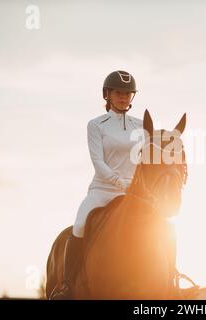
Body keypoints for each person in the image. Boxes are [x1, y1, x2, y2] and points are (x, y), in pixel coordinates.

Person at [54, 70, 144, 299]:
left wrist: (136, 185)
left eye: (127, 93)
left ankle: (171, 278)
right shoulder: (96, 124)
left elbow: (145, 161)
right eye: (118, 92)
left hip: (133, 194)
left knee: (162, 227)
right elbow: (98, 161)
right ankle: (66, 284)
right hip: (103, 191)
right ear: (107, 95)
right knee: (80, 224)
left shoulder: (141, 126)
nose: (123, 97)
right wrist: (118, 181)